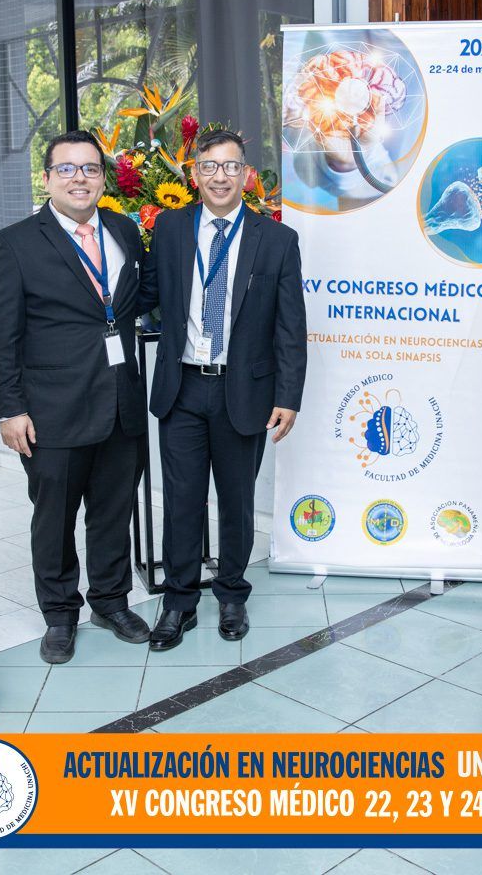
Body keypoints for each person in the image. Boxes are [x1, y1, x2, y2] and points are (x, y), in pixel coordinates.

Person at [0, 130, 151, 664]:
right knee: (54, 518)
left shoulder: (124, 230)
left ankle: (111, 602)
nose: (80, 178)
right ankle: (60, 615)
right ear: (47, 178)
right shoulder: (14, 244)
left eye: (90, 168)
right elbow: (0, 336)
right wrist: (10, 409)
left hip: (121, 403)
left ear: (103, 178)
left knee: (113, 512)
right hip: (51, 411)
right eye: (67, 168)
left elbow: (135, 301)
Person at [139, 128, 307, 650]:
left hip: (243, 391)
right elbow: (146, 291)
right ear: (194, 174)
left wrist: (288, 396)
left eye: (231, 166)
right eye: (210, 166)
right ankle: (179, 602)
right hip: (182, 388)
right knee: (182, 501)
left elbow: (290, 326)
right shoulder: (170, 228)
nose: (220, 176)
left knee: (236, 501)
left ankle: (232, 594)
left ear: (246, 175)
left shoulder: (276, 240)